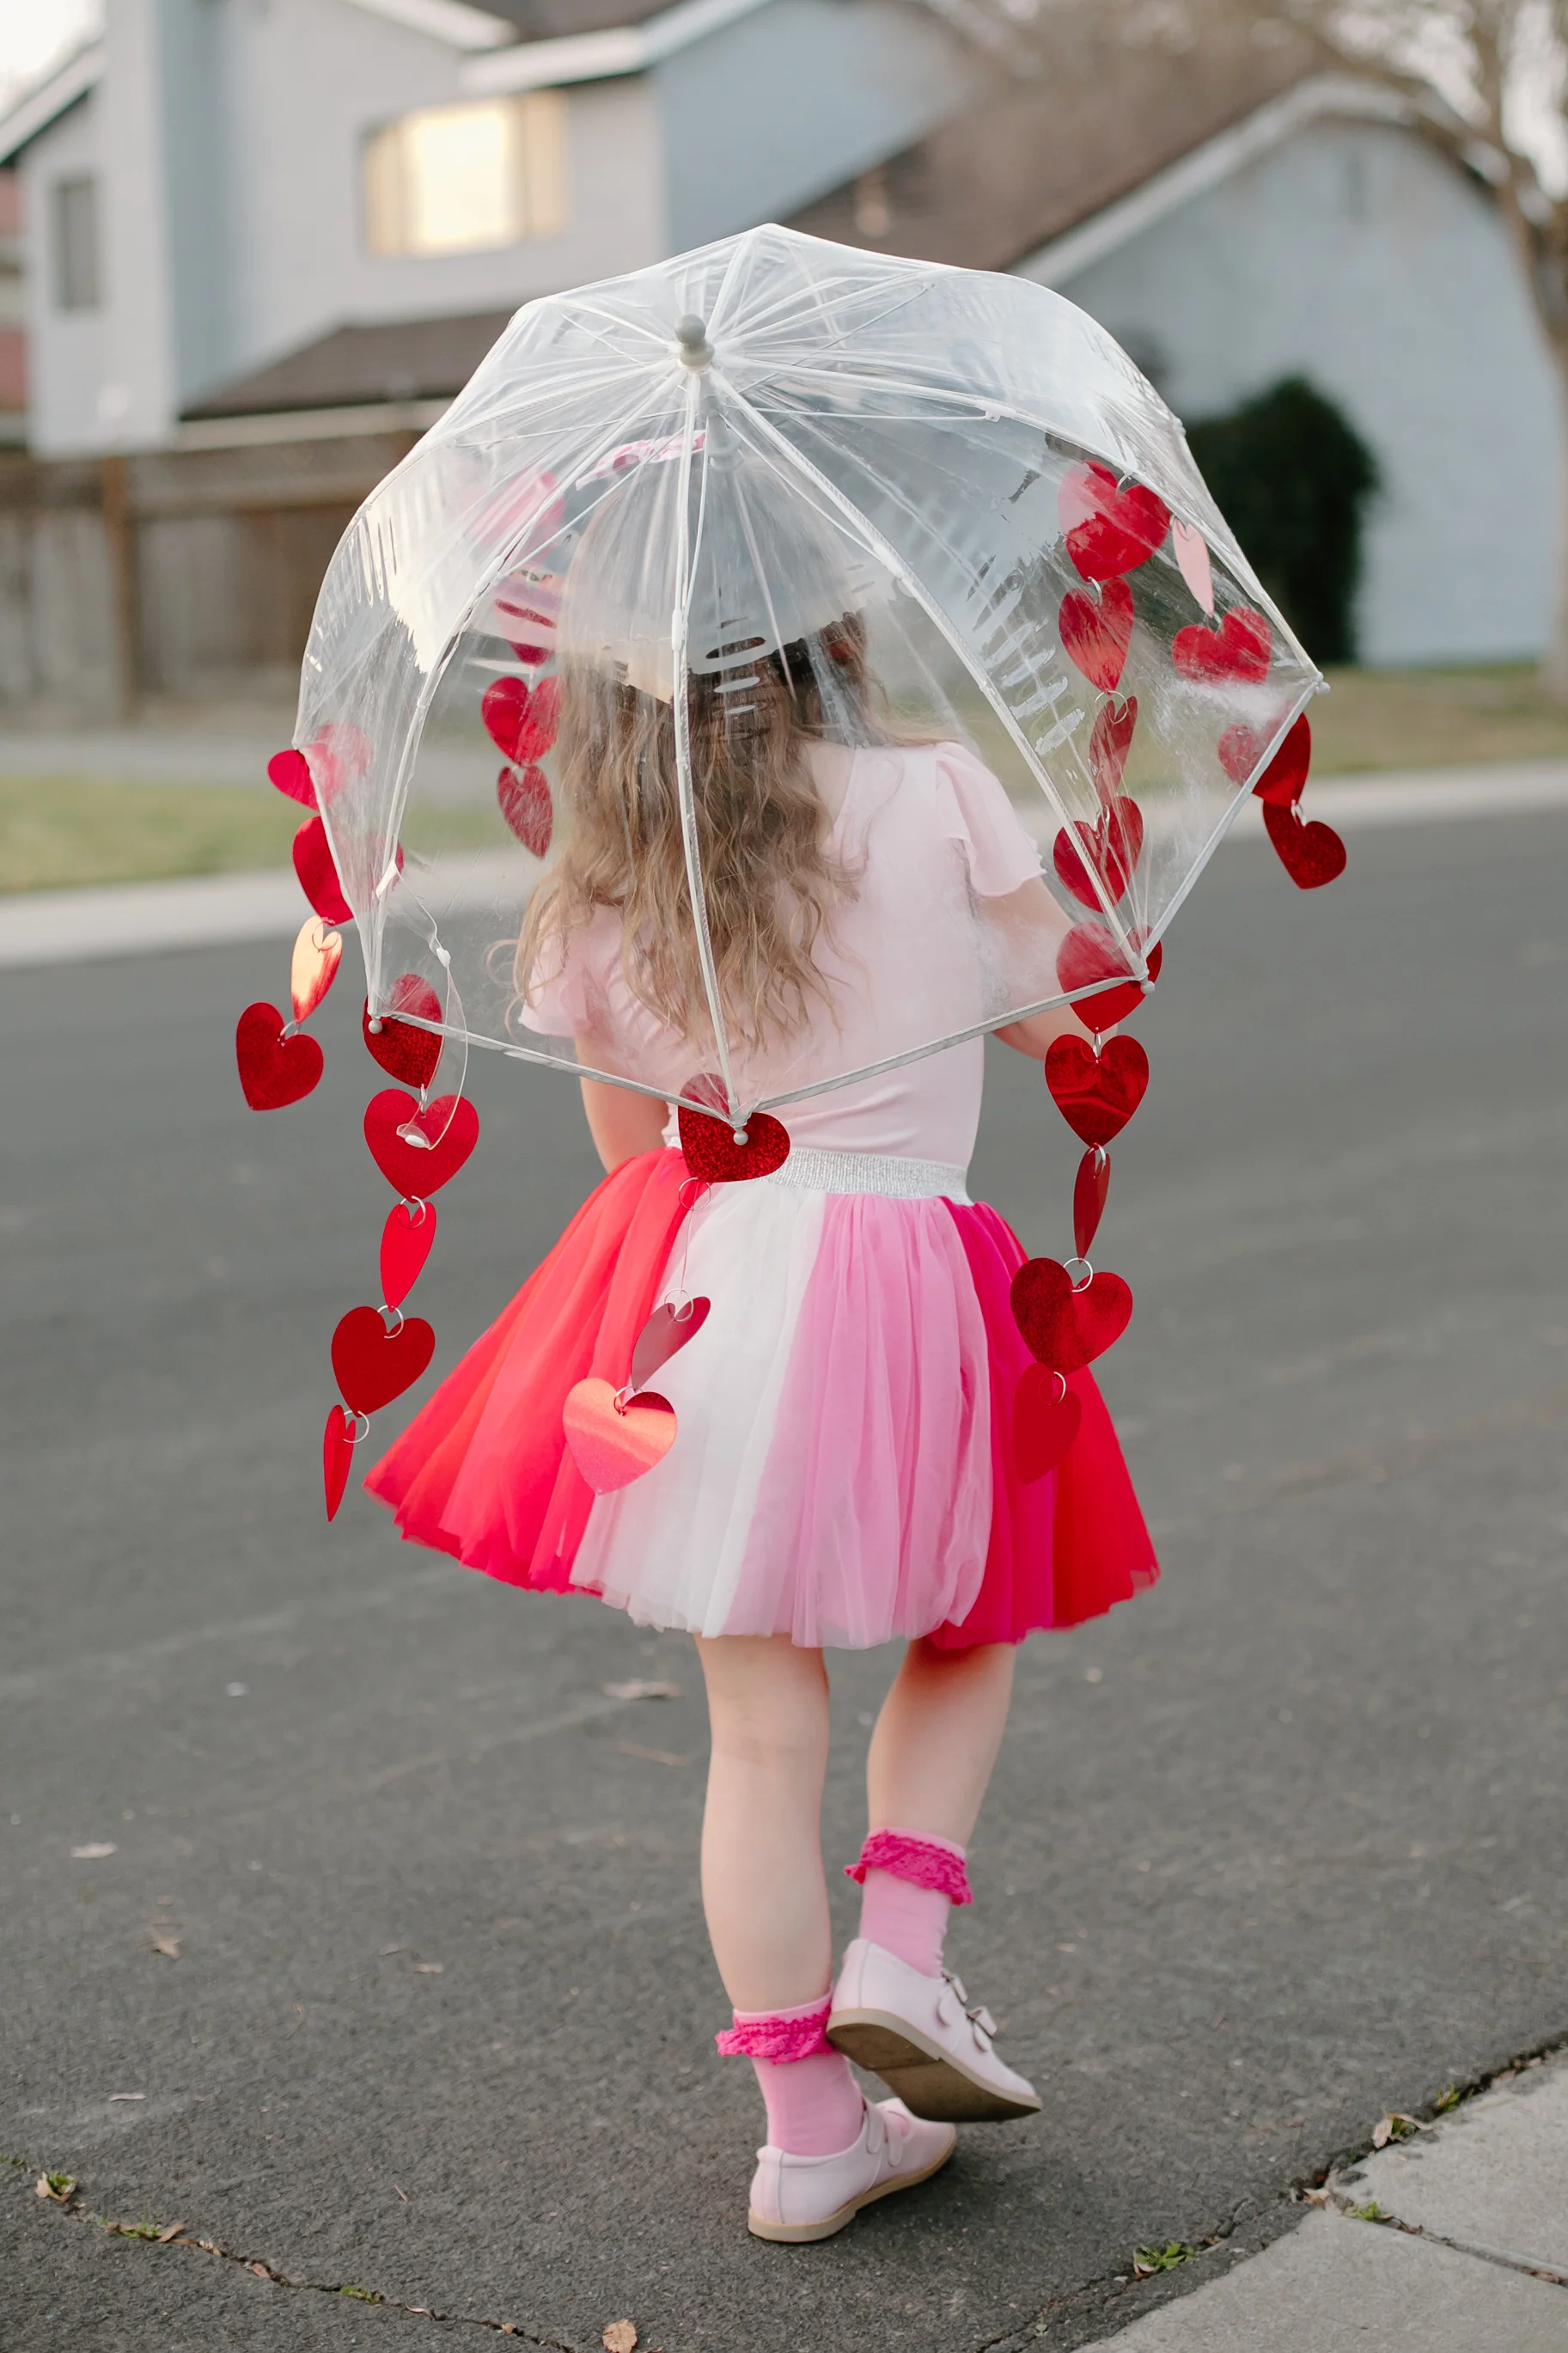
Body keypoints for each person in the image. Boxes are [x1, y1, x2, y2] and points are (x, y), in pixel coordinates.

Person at [366, 453, 1156, 2244]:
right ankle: (905, 1944)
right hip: (913, 1263)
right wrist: (1072, 902)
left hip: (710, 1292)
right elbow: (1079, 1034)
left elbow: (626, 1158)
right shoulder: (937, 792)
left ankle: (809, 2132)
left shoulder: (601, 885)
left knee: (756, 1721)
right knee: (973, 1617)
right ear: (837, 621)